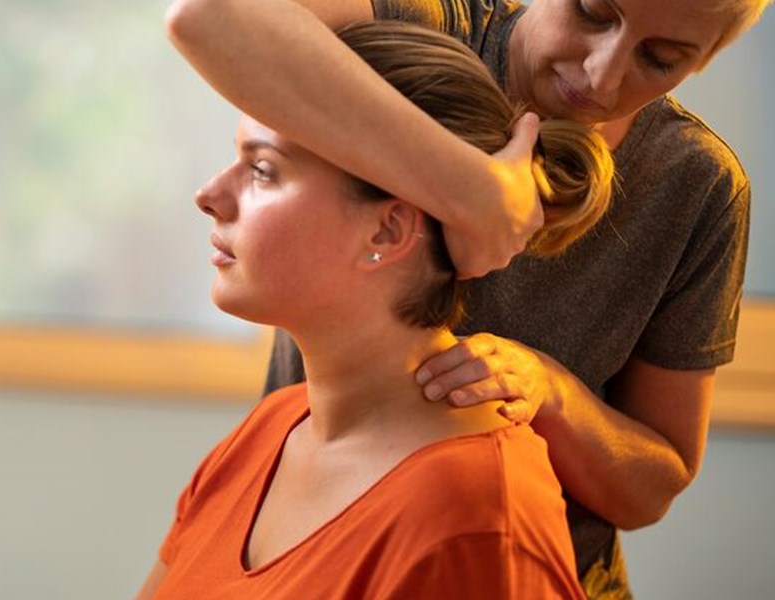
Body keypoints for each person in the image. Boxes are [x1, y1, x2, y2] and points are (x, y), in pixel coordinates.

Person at [165, 0, 766, 595]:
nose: (601, 76)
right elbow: (208, 13)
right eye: (591, 12)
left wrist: (551, 393)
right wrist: (472, 189)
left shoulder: (695, 183)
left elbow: (651, 487)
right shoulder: (423, 24)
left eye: (661, 58)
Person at [137, 21, 613, 598]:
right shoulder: (270, 432)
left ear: (386, 231)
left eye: (263, 169)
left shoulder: (480, 515)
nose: (209, 195)